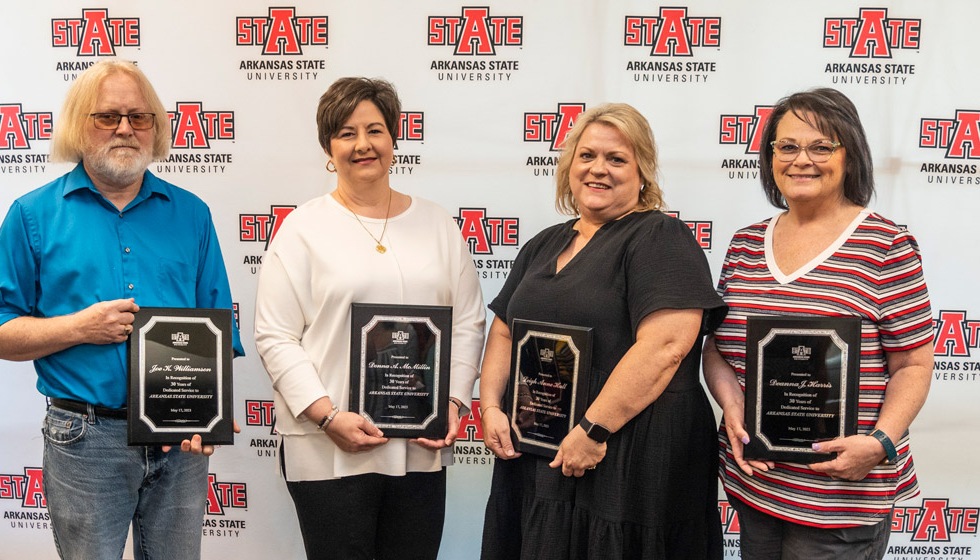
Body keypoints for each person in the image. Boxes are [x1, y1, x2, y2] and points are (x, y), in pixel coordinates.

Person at [0, 60, 244, 559]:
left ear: (155, 128)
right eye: (108, 116)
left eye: (138, 117)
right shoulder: (32, 216)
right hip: (85, 439)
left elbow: (217, 329)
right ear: (80, 127)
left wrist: (206, 413)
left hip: (179, 441)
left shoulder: (192, 214)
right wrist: (78, 327)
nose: (125, 128)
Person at [478, 103, 727, 559]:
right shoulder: (545, 242)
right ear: (569, 166)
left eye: (617, 159)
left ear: (643, 173)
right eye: (587, 156)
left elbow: (666, 347)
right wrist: (492, 406)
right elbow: (503, 332)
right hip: (543, 450)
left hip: (626, 456)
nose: (599, 169)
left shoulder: (660, 239)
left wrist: (592, 430)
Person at [253, 77, 485, 560]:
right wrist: (327, 415)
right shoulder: (302, 229)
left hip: (419, 446)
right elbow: (275, 334)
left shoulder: (438, 224)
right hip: (329, 446)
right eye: (346, 133)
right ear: (328, 147)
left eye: (375, 130)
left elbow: (466, 322)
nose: (363, 145)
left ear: (395, 139)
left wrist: (455, 403)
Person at [702, 87, 934, 559]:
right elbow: (716, 350)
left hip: (843, 494)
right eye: (786, 146)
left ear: (850, 155)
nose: (801, 160)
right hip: (757, 484)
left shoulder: (886, 245)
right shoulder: (746, 243)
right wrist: (730, 407)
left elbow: (912, 364)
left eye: (820, 146)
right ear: (769, 158)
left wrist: (880, 442)